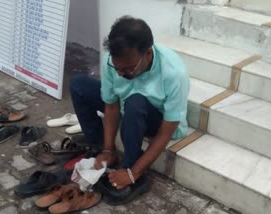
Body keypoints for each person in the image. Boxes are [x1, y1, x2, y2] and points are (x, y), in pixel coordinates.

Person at [69, 16, 189, 204]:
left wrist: (134, 172)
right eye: (117, 68)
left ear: (148, 54)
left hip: (154, 119)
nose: (119, 73)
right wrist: (108, 149)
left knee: (135, 102)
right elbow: (111, 105)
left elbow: (167, 131)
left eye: (128, 69)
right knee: (78, 85)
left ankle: (133, 170)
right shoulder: (113, 61)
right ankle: (100, 149)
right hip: (127, 110)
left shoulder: (174, 73)